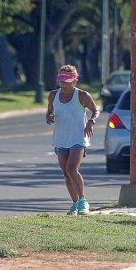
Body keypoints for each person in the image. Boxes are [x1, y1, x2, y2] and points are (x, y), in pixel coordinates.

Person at [46, 65, 99, 215]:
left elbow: (96, 110)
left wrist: (91, 122)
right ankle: (75, 203)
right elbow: (50, 112)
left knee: (71, 169)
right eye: (62, 81)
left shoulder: (82, 95)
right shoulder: (53, 95)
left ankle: (83, 200)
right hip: (61, 138)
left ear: (75, 81)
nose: (64, 84)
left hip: (78, 137)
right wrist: (49, 118)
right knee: (66, 174)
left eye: (68, 81)